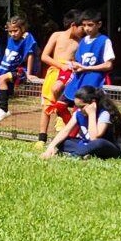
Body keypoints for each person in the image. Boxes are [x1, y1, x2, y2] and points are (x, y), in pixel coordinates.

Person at [41, 85, 121, 160]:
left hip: (107, 147)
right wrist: (51, 147)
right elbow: (65, 131)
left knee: (99, 143)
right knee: (61, 141)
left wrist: (92, 114)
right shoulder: (78, 113)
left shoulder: (104, 114)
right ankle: (85, 153)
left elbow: (94, 138)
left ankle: (76, 154)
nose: (79, 110)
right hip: (87, 144)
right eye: (77, 107)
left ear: (93, 103)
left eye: (82, 107)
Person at [36, 10, 83, 144]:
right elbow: (44, 56)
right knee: (46, 104)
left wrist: (71, 66)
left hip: (68, 74)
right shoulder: (57, 35)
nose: (84, 31)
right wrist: (59, 65)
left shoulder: (80, 42)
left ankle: (67, 133)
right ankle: (42, 138)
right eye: (81, 28)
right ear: (73, 25)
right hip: (54, 71)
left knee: (63, 97)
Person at [0, 16, 38, 122]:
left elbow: (30, 54)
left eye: (15, 31)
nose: (13, 34)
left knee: (2, 78)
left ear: (23, 28)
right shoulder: (11, 39)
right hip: (7, 69)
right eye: (10, 31)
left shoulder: (27, 37)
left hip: (20, 71)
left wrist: (29, 73)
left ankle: (4, 109)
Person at [61, 9, 115, 105]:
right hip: (79, 78)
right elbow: (79, 61)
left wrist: (87, 68)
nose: (86, 28)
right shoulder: (82, 41)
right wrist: (75, 65)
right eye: (84, 25)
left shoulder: (104, 41)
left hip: (94, 80)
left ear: (99, 24)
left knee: (82, 109)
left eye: (90, 25)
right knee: (60, 105)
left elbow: (108, 65)